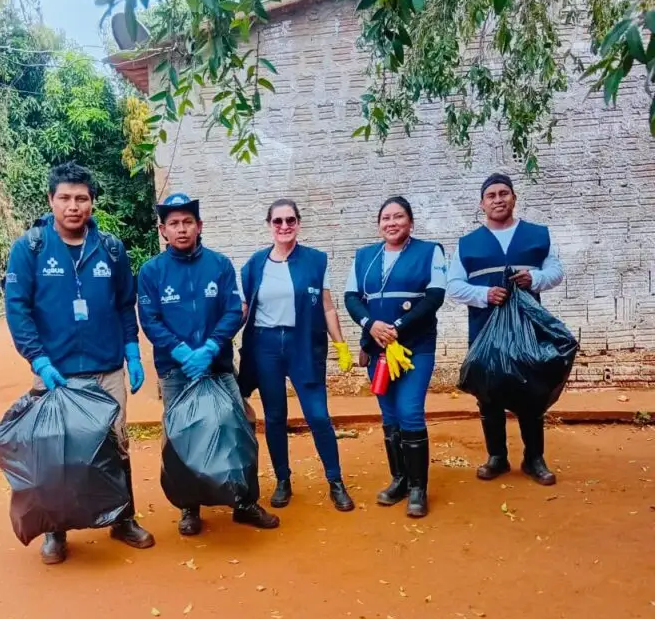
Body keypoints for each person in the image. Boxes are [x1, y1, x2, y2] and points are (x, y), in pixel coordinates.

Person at [4, 161, 154, 564]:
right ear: (51, 200)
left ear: (92, 203)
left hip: (107, 371)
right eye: (66, 198)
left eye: (82, 198)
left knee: (116, 446)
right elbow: (18, 310)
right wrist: (38, 359)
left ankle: (123, 519)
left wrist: (133, 351)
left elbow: (125, 304)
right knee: (56, 453)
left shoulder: (111, 249)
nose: (74, 206)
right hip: (56, 375)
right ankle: (56, 530)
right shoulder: (30, 248)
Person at [137, 192, 279, 537]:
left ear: (199, 226)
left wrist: (211, 346)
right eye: (174, 223)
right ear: (163, 230)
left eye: (188, 222)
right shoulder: (151, 272)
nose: (182, 229)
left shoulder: (219, 265)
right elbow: (150, 319)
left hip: (217, 367)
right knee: (183, 436)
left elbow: (234, 310)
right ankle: (190, 507)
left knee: (239, 427)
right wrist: (183, 353)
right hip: (175, 371)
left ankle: (244, 502)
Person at [448, 172, 565, 485]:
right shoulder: (468, 243)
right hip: (485, 330)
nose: (498, 200)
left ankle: (534, 458)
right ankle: (497, 456)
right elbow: (453, 285)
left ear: (514, 198)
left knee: (532, 388)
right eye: (491, 196)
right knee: (488, 392)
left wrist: (534, 279)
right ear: (482, 204)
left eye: (504, 194)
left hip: (528, 329)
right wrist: (484, 294)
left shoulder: (537, 235)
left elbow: (556, 271)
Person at [239, 199, 356, 512]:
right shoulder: (254, 264)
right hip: (265, 346)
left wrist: (341, 344)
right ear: (269, 225)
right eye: (277, 221)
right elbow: (245, 310)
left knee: (318, 415)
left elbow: (328, 306)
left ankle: (335, 480)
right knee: (275, 417)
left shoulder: (315, 261)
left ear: (299, 223)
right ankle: (282, 480)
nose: (284, 226)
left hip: (302, 342)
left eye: (290, 220)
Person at [344, 196, 447, 518]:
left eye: (398, 217)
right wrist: (370, 324)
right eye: (386, 218)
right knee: (389, 415)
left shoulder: (430, 251)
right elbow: (351, 297)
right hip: (378, 349)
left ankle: (418, 488)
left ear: (410, 222)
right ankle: (399, 479)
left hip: (416, 346)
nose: (391, 223)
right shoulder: (365, 257)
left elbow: (435, 297)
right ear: (379, 224)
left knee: (410, 411)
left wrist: (398, 327)